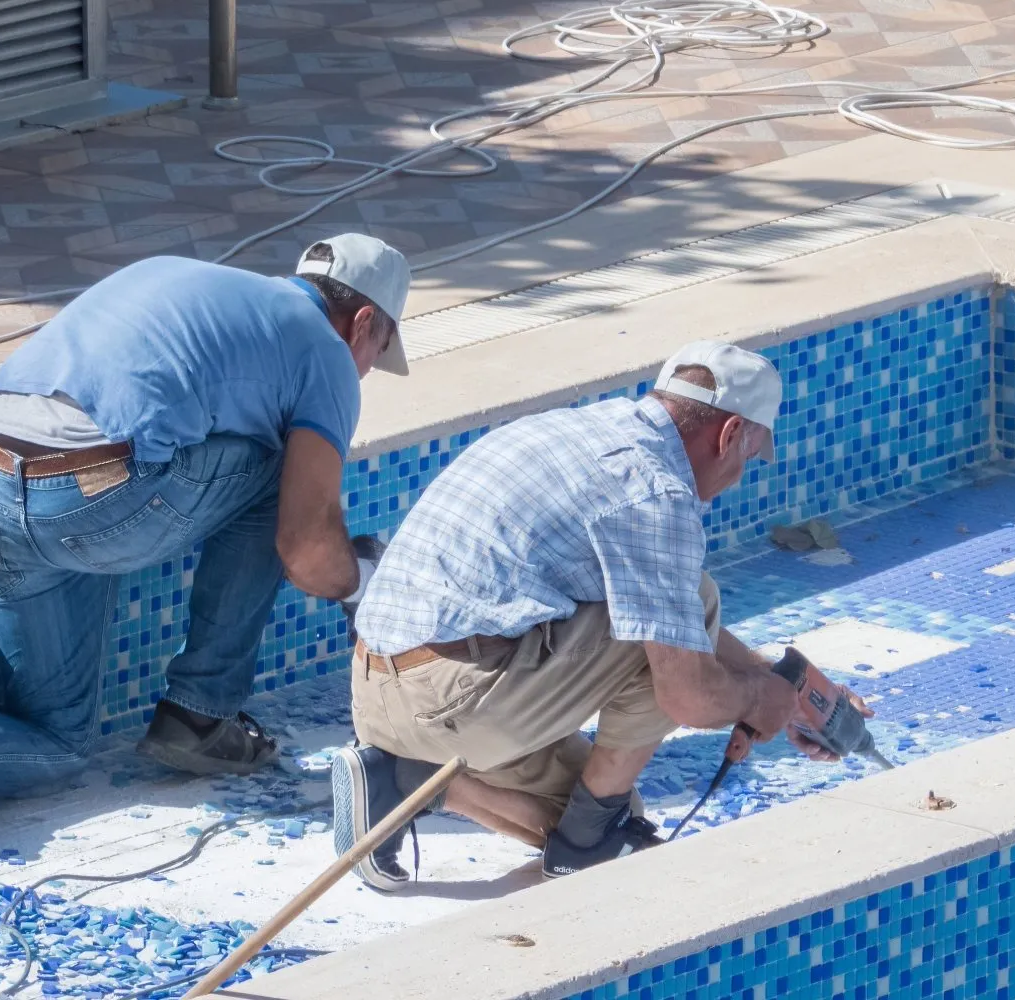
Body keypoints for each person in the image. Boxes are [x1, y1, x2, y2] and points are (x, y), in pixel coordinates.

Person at [0, 234, 412, 844]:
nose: (369, 369)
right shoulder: (324, 350)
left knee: (60, 744)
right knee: (284, 478)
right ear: (363, 323)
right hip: (94, 499)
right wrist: (364, 588)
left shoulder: (191, 279)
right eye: (378, 351)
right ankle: (200, 714)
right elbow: (305, 548)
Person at [334, 339, 860, 888]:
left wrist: (784, 687)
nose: (738, 477)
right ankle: (585, 842)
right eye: (749, 459)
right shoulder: (654, 496)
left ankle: (402, 776)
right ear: (729, 436)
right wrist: (755, 698)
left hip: (379, 692)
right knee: (686, 611)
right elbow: (688, 694)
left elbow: (657, 609)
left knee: (620, 816)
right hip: (454, 701)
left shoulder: (574, 432)